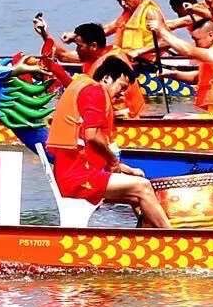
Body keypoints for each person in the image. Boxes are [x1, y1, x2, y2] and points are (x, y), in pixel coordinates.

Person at [44, 55, 170, 226]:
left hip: (77, 173)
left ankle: (149, 239)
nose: (123, 93)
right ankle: (172, 237)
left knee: (136, 195)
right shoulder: (95, 92)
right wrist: (112, 161)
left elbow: (91, 152)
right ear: (107, 78)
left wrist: (127, 169)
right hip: (77, 178)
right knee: (143, 187)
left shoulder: (89, 89)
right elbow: (92, 136)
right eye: (122, 87)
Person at [148, 14, 213, 119]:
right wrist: (172, 74)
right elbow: (197, 78)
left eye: (197, 40)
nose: (195, 44)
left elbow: (188, 51)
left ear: (211, 35)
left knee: (170, 118)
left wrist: (162, 31)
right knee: (171, 116)